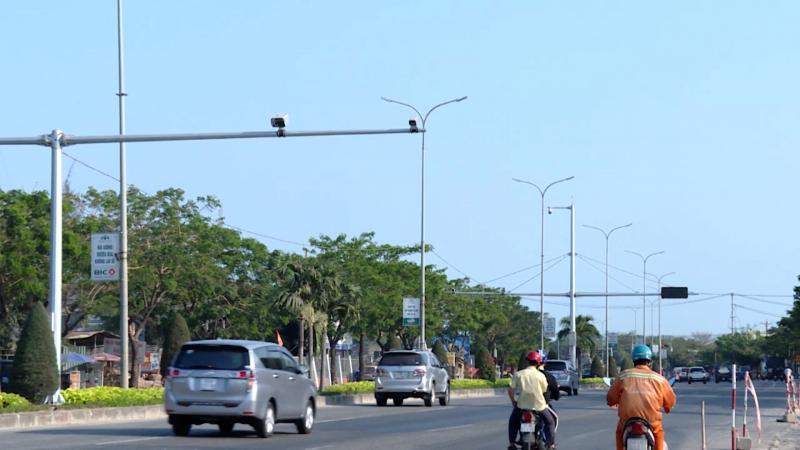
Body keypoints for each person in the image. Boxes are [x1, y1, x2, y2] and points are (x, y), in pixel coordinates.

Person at [606, 345, 676, 450]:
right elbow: (670, 401)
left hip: (627, 421)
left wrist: (613, 403)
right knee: (658, 433)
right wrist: (667, 407)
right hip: (652, 421)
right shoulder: (659, 379)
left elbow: (611, 397)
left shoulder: (623, 376)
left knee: (620, 433)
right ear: (649, 360)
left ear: (633, 360)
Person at [508, 351, 558, 450]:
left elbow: (510, 390)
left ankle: (512, 444)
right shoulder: (541, 376)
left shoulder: (519, 374)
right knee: (550, 422)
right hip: (539, 406)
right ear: (538, 363)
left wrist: (514, 402)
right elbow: (544, 390)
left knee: (513, 421)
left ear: (526, 361)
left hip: (521, 405)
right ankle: (551, 444)